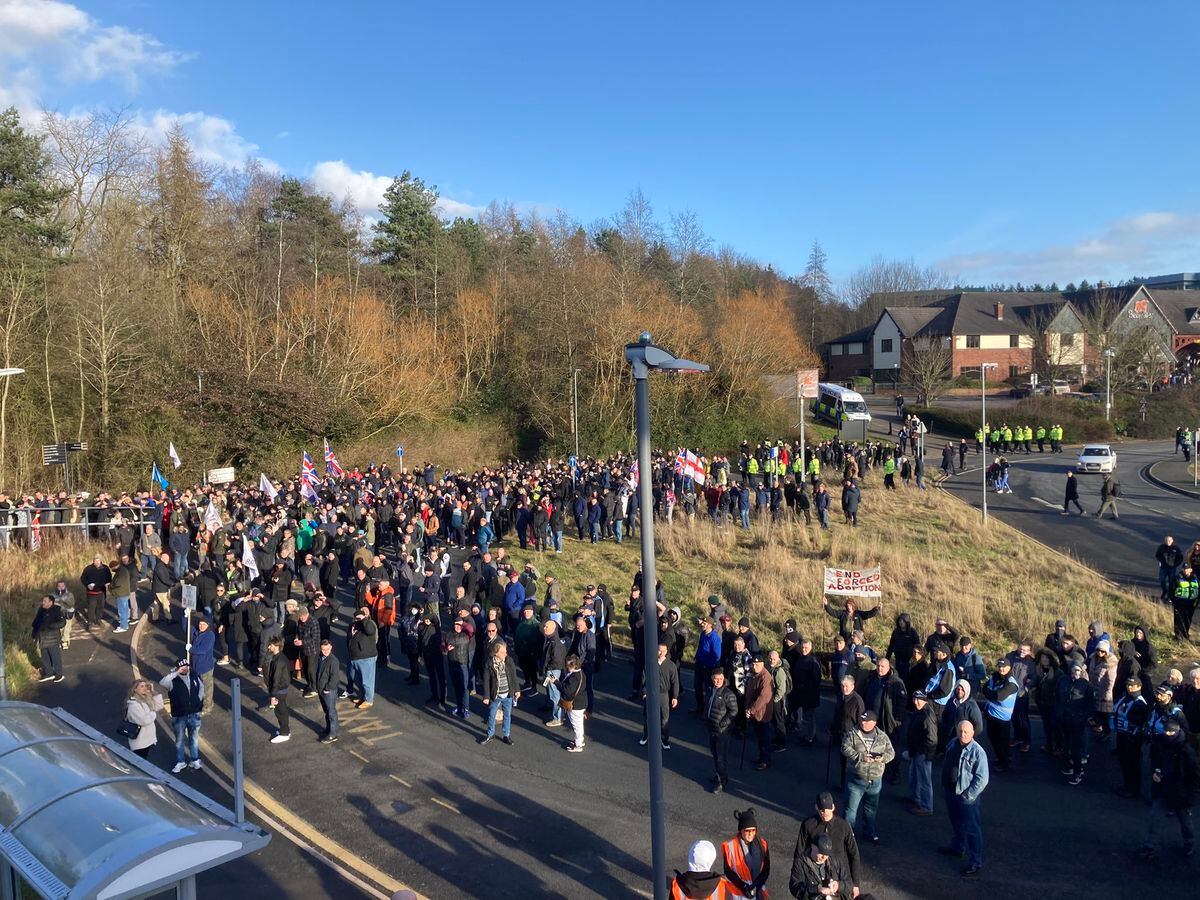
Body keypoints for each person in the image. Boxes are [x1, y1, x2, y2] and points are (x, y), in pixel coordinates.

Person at [1140, 717, 1198, 859]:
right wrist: (1156, 772)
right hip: (1164, 788)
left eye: (1171, 732)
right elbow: (1155, 762)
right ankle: (1150, 846)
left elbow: (1194, 775)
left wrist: (1190, 795)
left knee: (1185, 822)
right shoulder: (1160, 744)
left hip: (1180, 792)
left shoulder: (1186, 751)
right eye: (1166, 731)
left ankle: (1189, 843)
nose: (1168, 735)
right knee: (1156, 818)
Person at [938, 720, 989, 876]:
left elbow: (982, 778)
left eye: (966, 732)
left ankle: (975, 861)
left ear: (973, 732)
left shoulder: (978, 752)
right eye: (960, 731)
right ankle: (958, 847)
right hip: (951, 791)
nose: (963, 734)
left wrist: (968, 795)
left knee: (972, 829)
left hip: (967, 798)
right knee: (956, 823)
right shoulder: (953, 743)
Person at [840, 711, 894, 844]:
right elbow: (844, 747)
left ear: (874, 723)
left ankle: (869, 832)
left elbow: (891, 753)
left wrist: (882, 758)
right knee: (851, 810)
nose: (863, 723)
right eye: (862, 720)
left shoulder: (882, 736)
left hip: (875, 780)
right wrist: (860, 757)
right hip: (856, 778)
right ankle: (848, 835)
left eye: (866, 721)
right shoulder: (853, 733)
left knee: (871, 810)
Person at [795, 793, 862, 899]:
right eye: (822, 810)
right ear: (816, 807)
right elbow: (800, 851)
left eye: (828, 809)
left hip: (838, 875)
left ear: (833, 807)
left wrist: (855, 884)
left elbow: (853, 854)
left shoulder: (843, 826)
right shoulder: (808, 824)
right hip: (814, 874)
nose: (825, 812)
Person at [159, 659, 204, 772]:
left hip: (194, 714)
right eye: (181, 667)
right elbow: (162, 682)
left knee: (194, 738)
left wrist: (198, 701)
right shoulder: (172, 680)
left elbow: (201, 687)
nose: (185, 668)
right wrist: (176, 672)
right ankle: (180, 761)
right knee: (179, 740)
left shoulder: (194, 675)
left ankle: (195, 760)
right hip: (179, 716)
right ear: (177, 668)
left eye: (186, 666)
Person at [1113, 677, 1149, 798]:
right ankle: (1127, 785)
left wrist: (1133, 736)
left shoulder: (1139, 703)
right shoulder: (1125, 697)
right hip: (1122, 735)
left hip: (1132, 739)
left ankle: (1133, 789)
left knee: (1132, 764)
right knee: (1124, 762)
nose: (1130, 688)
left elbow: (1140, 723)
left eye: (1133, 686)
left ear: (1139, 687)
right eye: (1128, 685)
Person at [1058, 662, 1094, 785]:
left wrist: (1083, 717)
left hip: (1078, 721)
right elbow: (1058, 697)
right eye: (1074, 671)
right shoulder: (1063, 681)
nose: (1076, 674)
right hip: (1065, 719)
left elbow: (1091, 704)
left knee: (1076, 748)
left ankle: (1078, 771)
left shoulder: (1086, 685)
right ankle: (1070, 766)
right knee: (1067, 745)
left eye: (1079, 671)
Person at [642, 641, 682, 751]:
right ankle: (646, 735)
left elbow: (675, 682)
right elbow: (644, 679)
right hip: (651, 693)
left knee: (664, 719)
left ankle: (664, 739)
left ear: (666, 652)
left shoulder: (671, 666)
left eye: (663, 651)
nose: (660, 653)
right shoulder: (650, 663)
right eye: (659, 650)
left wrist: (675, 697)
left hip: (664, 695)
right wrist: (645, 693)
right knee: (647, 716)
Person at [722, 808, 770, 899]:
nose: (750, 834)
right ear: (741, 830)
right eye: (747, 830)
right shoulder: (729, 846)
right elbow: (728, 871)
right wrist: (743, 887)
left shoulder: (763, 844)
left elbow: (766, 869)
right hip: (739, 894)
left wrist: (756, 885)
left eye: (753, 830)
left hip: (758, 891)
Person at [905, 691, 938, 816]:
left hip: (923, 752)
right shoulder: (919, 712)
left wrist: (928, 755)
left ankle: (926, 806)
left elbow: (932, 738)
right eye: (914, 699)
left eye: (919, 699)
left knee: (924, 780)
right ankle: (915, 799)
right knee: (914, 775)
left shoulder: (927, 715)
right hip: (916, 750)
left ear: (925, 700)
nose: (916, 702)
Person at [981, 658, 1018, 771]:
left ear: (1009, 668)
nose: (1001, 669)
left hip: (1002, 719)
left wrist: (989, 693)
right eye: (1000, 666)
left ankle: (1004, 762)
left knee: (1002, 741)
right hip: (992, 715)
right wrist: (989, 692)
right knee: (994, 739)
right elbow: (984, 688)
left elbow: (999, 696)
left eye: (1004, 667)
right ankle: (1002, 758)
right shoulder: (995, 677)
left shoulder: (1011, 684)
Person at [706, 668, 739, 793]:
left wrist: (723, 723)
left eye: (720, 679)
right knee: (715, 755)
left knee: (721, 757)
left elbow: (734, 711)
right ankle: (718, 775)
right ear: (712, 679)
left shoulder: (728, 694)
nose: (717, 681)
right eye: (715, 679)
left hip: (722, 732)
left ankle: (722, 782)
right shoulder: (711, 690)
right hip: (712, 728)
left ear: (723, 678)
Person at [481, 640, 518, 746]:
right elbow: (486, 681)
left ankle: (506, 735)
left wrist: (517, 690)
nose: (505, 654)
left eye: (505, 651)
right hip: (496, 695)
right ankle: (490, 734)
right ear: (495, 653)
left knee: (507, 715)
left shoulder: (509, 661)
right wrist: (486, 696)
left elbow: (513, 677)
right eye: (503, 652)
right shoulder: (489, 664)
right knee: (492, 715)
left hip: (507, 694)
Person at [746, 653, 774, 770]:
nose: (755, 666)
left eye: (757, 664)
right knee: (759, 737)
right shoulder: (754, 675)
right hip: (754, 713)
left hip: (762, 714)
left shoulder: (765, 677)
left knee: (765, 738)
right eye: (753, 664)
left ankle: (765, 761)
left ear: (762, 664)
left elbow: (764, 697)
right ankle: (761, 757)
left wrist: (751, 710)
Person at [792, 638, 823, 747]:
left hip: (810, 694)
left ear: (811, 648)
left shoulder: (813, 661)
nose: (804, 649)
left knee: (810, 717)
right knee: (806, 716)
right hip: (801, 693)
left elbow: (816, 680)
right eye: (803, 647)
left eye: (806, 648)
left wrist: (809, 692)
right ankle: (809, 735)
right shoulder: (801, 658)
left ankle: (811, 738)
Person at [347, 606, 378, 708]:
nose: (358, 618)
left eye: (363, 614)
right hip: (354, 656)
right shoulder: (353, 624)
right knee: (356, 678)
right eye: (357, 616)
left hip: (366, 657)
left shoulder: (369, 624)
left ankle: (369, 700)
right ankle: (362, 697)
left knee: (366, 681)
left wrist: (363, 619)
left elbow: (370, 631)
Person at [125, 678, 164, 759]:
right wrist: (153, 712)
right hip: (140, 744)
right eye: (141, 686)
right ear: (135, 689)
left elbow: (159, 706)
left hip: (147, 741)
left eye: (145, 686)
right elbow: (144, 720)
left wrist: (153, 692)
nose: (145, 688)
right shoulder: (134, 705)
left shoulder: (145, 700)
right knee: (139, 764)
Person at [264, 636, 292, 743]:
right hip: (282, 689)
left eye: (270, 645)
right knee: (282, 710)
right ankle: (284, 730)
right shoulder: (281, 657)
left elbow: (275, 679)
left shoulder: (278, 661)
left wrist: (273, 696)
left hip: (279, 690)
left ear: (276, 646)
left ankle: (284, 733)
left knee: (280, 711)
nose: (268, 647)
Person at [32, 595, 66, 682]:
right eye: (43, 601)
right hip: (42, 637)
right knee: (45, 656)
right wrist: (34, 634)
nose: (43, 603)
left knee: (55, 656)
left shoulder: (57, 610)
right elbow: (36, 623)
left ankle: (59, 674)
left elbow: (62, 622)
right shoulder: (41, 610)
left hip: (52, 637)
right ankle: (49, 673)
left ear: (51, 602)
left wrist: (52, 626)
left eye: (45, 601)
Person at [559, 654, 587, 752]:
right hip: (581, 703)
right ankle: (579, 740)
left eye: (569, 666)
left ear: (574, 666)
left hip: (576, 705)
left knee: (577, 725)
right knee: (579, 724)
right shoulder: (581, 673)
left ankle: (578, 745)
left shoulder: (574, 677)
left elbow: (567, 690)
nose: (567, 667)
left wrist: (556, 683)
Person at [316, 638, 341, 743]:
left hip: (328, 691)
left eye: (327, 649)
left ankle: (333, 734)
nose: (325, 651)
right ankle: (329, 729)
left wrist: (327, 688)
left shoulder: (333, 661)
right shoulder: (321, 657)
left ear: (331, 647)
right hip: (321, 689)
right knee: (327, 711)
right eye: (323, 649)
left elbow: (335, 678)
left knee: (331, 712)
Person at [1173, 565, 1199, 641]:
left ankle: (1185, 635)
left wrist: (1197, 601)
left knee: (1188, 620)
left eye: (1187, 569)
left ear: (1191, 570)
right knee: (1179, 620)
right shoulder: (1177, 578)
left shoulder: (1196, 579)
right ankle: (1178, 637)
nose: (1186, 570)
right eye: (1184, 569)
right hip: (1180, 603)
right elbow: (1171, 590)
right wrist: (1174, 601)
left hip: (1191, 604)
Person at [1157, 535, 1185, 601]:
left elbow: (1180, 558)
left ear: (1172, 541)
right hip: (1163, 568)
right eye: (1166, 540)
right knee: (1162, 580)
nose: (1168, 541)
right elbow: (1157, 555)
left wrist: (1175, 565)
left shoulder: (1176, 548)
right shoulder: (1161, 547)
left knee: (1171, 582)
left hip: (1172, 568)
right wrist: (1162, 561)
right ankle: (1165, 591)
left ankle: (1170, 595)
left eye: (1169, 540)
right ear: (1164, 541)